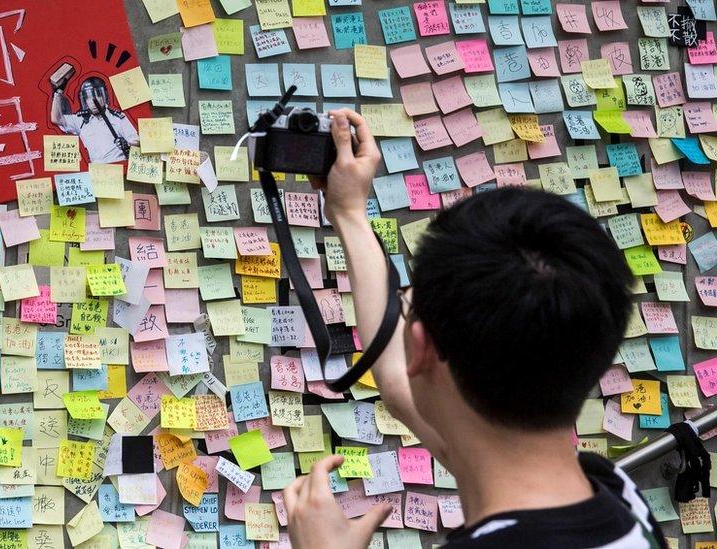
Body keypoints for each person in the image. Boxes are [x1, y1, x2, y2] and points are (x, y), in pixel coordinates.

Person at [282, 109, 667, 548]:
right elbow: (392, 375)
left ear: (422, 348)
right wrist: (348, 211)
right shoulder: (617, 496)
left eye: (407, 306)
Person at [49, 75, 139, 164]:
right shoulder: (81, 121)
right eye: (88, 98)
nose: (93, 101)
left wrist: (126, 144)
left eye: (97, 96)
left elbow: (138, 143)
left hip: (118, 168)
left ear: (104, 97)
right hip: (97, 171)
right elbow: (56, 119)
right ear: (85, 101)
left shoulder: (118, 118)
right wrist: (58, 93)